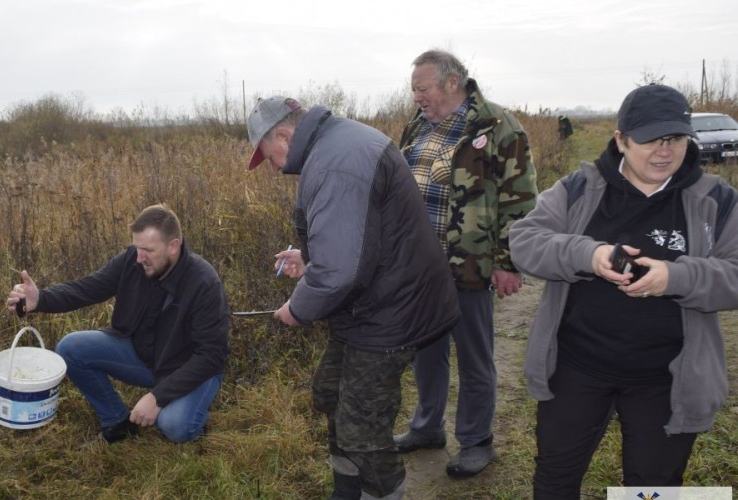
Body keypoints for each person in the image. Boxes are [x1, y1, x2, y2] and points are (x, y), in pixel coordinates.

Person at [509, 84, 738, 498]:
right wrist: (589, 254)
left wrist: (676, 278)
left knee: (654, 489)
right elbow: (524, 241)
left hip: (667, 379)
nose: (663, 151)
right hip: (577, 367)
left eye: (675, 139)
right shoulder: (580, 188)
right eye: (649, 139)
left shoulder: (718, 201)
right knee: (555, 477)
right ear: (620, 140)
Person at [247, 96, 459, 499]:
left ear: (283, 134)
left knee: (362, 428)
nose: (271, 167)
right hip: (371, 303)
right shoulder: (333, 145)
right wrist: (308, 258)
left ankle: (383, 493)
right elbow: (359, 240)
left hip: (392, 311)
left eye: (266, 154)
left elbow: (341, 270)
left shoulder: (335, 162)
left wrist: (298, 308)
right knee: (330, 392)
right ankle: (347, 489)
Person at [392, 49, 538, 477]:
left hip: (469, 265)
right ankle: (427, 427)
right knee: (427, 352)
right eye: (414, 89)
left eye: (423, 88)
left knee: (475, 356)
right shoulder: (416, 127)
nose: (417, 96)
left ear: (451, 83)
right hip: (419, 269)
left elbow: (521, 199)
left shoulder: (497, 127)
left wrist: (509, 261)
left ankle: (476, 441)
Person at [6, 204, 230, 444]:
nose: (139, 257)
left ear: (173, 246)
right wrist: (41, 299)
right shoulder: (132, 261)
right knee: (71, 348)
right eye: (136, 247)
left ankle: (191, 413)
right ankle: (117, 423)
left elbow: (211, 356)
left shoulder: (204, 282)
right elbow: (89, 288)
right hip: (144, 358)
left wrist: (158, 397)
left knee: (174, 426)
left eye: (147, 250)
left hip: (189, 368)